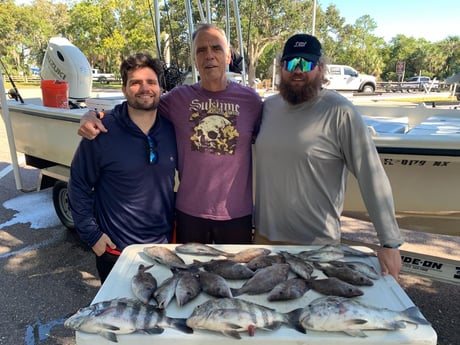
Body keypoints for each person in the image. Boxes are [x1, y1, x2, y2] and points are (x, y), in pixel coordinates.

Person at [77, 24, 263, 244]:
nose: (209, 56)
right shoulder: (179, 98)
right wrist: (93, 114)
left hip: (236, 214)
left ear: (229, 55)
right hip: (189, 213)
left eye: (216, 48)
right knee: (190, 275)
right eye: (201, 50)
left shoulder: (251, 101)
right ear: (194, 58)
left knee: (234, 275)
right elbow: (139, 104)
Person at [254, 34, 403, 280]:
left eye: (307, 64)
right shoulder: (268, 107)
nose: (298, 71)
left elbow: (371, 174)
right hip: (265, 238)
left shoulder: (340, 111)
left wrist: (389, 242)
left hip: (317, 245)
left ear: (321, 68)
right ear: (281, 67)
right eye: (291, 64)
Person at [68, 53, 177, 283]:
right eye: (135, 82)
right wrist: (91, 235)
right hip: (116, 252)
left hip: (162, 248)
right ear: (125, 89)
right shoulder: (102, 131)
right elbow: (79, 183)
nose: (144, 88)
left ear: (160, 88)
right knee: (121, 317)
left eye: (151, 82)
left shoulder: (172, 129)